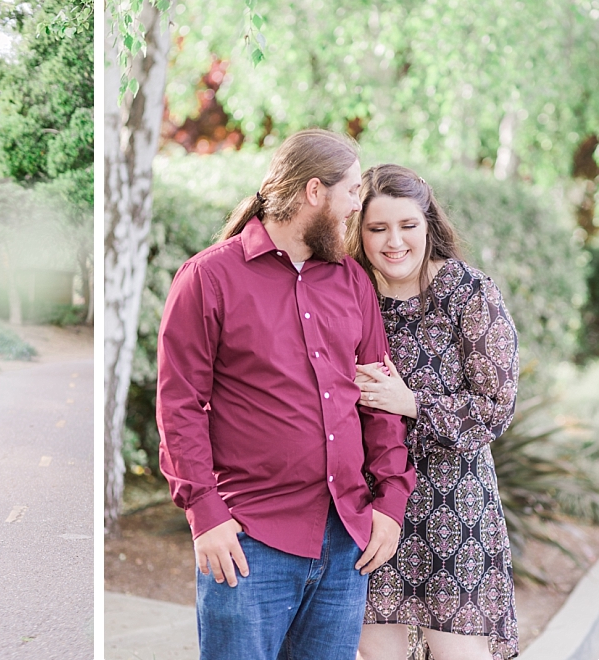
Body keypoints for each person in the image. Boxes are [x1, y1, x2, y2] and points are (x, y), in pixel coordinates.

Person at [156, 129, 415, 660]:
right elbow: (179, 404)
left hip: (346, 542)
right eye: (350, 192)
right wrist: (206, 514)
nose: (354, 208)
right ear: (314, 193)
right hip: (249, 542)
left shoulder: (352, 282)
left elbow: (377, 400)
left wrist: (390, 502)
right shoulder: (208, 277)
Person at [346, 164, 518, 660]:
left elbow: (496, 406)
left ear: (429, 225)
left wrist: (413, 403)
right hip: (375, 501)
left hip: (456, 506)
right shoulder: (349, 294)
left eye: (407, 226)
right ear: (359, 231)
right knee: (377, 653)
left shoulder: (469, 293)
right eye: (377, 228)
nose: (393, 241)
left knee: (458, 654)